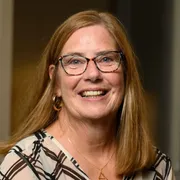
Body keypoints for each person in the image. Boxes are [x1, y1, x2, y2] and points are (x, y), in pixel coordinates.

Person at [0, 10, 175, 180]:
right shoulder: (28, 164)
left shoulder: (158, 168)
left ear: (125, 73)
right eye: (75, 61)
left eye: (106, 59)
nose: (93, 74)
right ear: (56, 82)